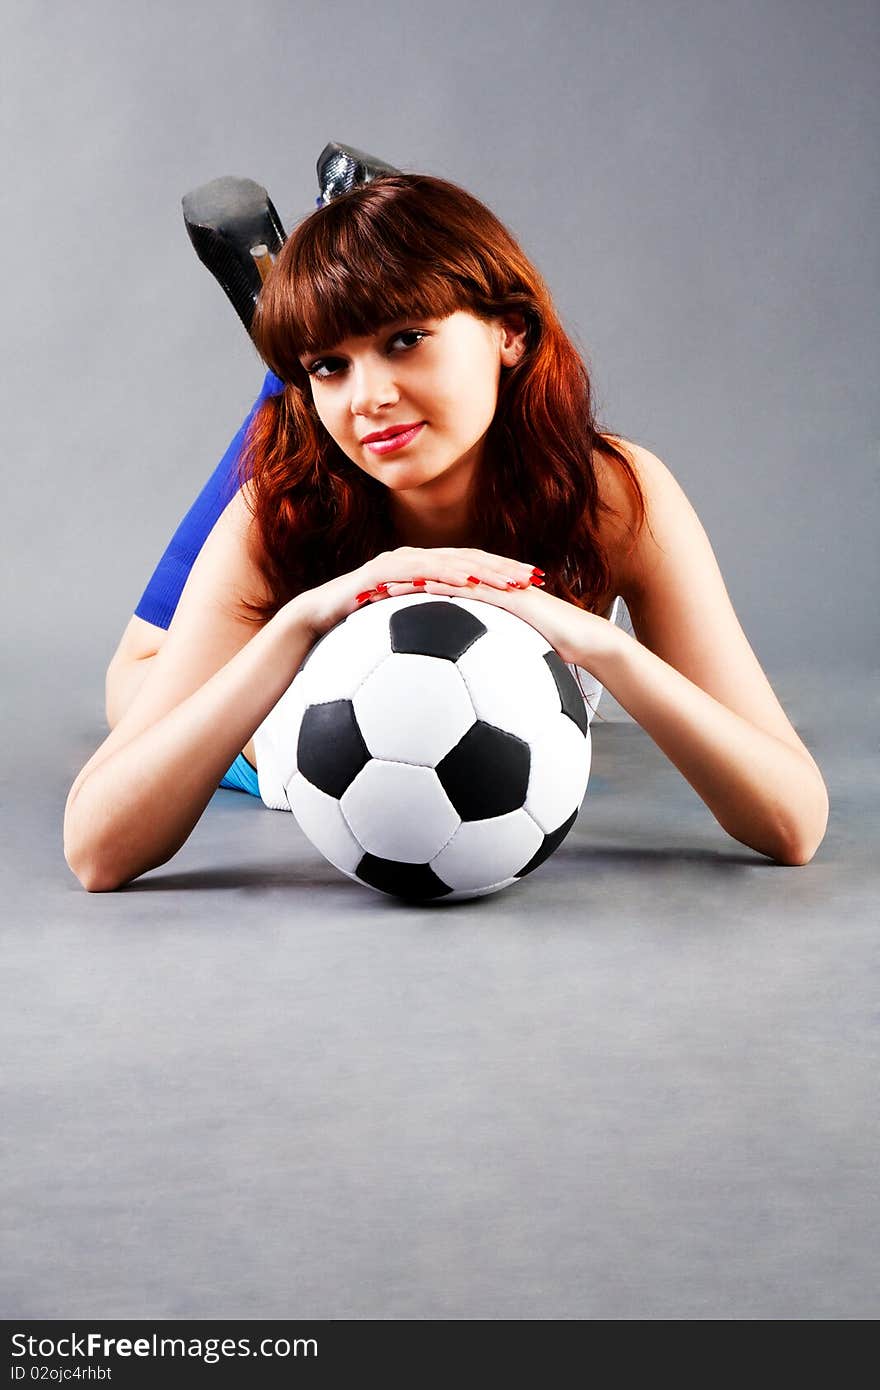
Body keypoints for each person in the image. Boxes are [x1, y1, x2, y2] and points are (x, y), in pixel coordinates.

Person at [64, 172, 829, 890]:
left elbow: (793, 823)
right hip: (308, 609)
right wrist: (301, 620)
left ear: (512, 334)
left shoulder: (615, 494)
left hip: (517, 657)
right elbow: (96, 851)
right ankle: (292, 349)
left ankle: (305, 315)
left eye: (406, 338)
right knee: (135, 683)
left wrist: (597, 640)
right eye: (330, 365)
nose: (368, 397)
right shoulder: (279, 508)